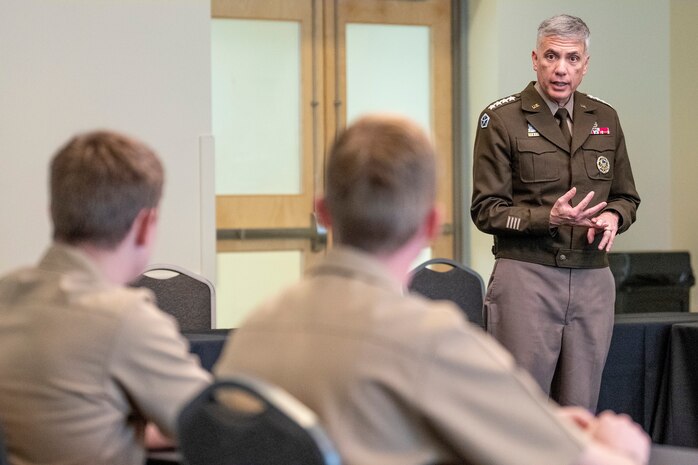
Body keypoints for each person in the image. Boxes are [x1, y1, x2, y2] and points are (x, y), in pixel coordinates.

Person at [215, 114, 649, 465]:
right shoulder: (434, 341)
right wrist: (620, 446)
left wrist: (545, 421)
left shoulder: (253, 332)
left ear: (323, 212)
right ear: (429, 224)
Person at [0, 130, 211, 465]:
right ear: (145, 224)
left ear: (53, 212)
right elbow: (218, 430)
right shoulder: (124, 318)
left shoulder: (7, 292)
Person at [471, 14, 641, 411]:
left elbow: (627, 197)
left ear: (585, 64)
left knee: (580, 412)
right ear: (535, 59)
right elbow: (485, 211)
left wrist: (614, 216)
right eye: (551, 56)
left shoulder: (605, 118)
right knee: (521, 411)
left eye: (571, 58)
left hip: (592, 278)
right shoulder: (500, 119)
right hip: (527, 277)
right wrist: (548, 217)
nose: (561, 68)